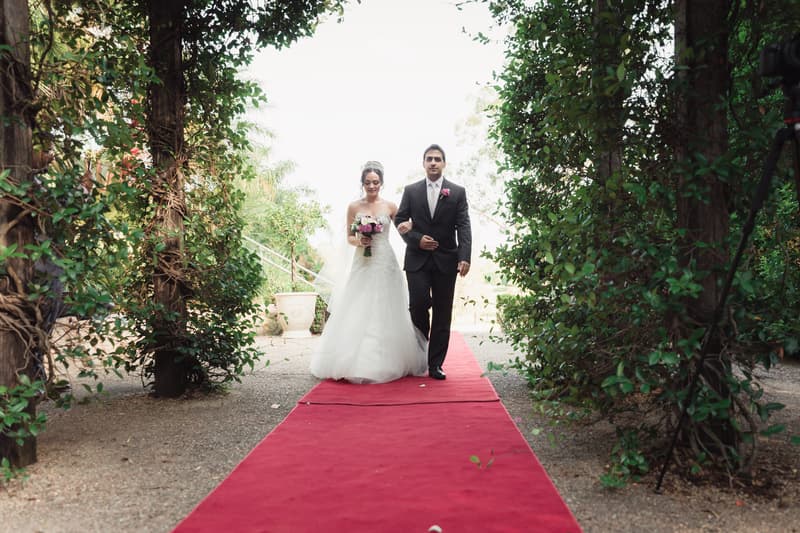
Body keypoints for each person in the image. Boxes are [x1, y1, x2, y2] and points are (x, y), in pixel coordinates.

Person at [309, 161, 428, 384]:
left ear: (381, 183)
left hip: (385, 261)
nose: (371, 186)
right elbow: (349, 238)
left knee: (387, 306)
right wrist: (359, 240)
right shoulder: (354, 207)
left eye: (375, 182)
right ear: (362, 183)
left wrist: (411, 228)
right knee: (360, 304)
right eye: (367, 182)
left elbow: (403, 226)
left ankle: (389, 360)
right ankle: (354, 360)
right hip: (363, 262)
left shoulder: (391, 206)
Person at [395, 144, 471, 380]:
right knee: (418, 304)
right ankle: (419, 355)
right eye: (429, 159)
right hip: (417, 260)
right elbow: (400, 220)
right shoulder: (411, 190)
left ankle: (435, 364)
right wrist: (416, 239)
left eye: (438, 159)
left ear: (444, 163)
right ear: (423, 163)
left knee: (442, 312)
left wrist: (464, 257)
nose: (433, 162)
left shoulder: (457, 192)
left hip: (446, 260)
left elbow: (464, 226)